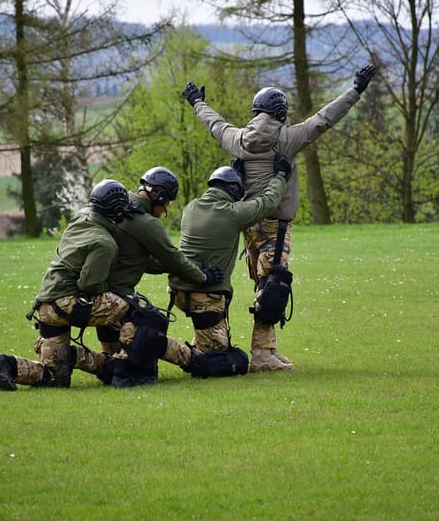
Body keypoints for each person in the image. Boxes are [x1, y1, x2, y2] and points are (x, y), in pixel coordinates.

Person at [182, 63, 377, 371]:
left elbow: (215, 124)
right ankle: (261, 355)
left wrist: (196, 101)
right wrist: (356, 90)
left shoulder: (237, 139)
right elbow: (324, 119)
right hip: (276, 225)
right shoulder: (286, 139)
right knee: (273, 287)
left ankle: (267, 349)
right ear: (280, 113)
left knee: (265, 286)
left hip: (248, 225)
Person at [66, 166, 225, 387]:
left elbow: (140, 259)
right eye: (167, 202)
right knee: (152, 320)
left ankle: (110, 364)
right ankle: (146, 369)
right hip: (117, 294)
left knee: (114, 355)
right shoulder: (146, 223)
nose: (167, 208)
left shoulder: (118, 207)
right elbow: (172, 258)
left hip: (90, 289)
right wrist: (202, 277)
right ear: (158, 195)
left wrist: (173, 268)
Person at [0, 178, 134, 391]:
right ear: (118, 210)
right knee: (127, 304)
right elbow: (90, 284)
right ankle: (121, 364)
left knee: (55, 377)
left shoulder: (81, 217)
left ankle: (9, 365)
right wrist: (111, 292)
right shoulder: (105, 243)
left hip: (45, 305)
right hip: (68, 304)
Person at [167, 157, 290, 376]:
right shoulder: (233, 213)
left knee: (220, 346)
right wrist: (280, 176)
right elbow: (267, 202)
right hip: (204, 297)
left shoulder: (191, 208)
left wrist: (235, 178)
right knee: (225, 362)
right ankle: (162, 347)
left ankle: (202, 339)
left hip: (177, 291)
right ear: (233, 190)